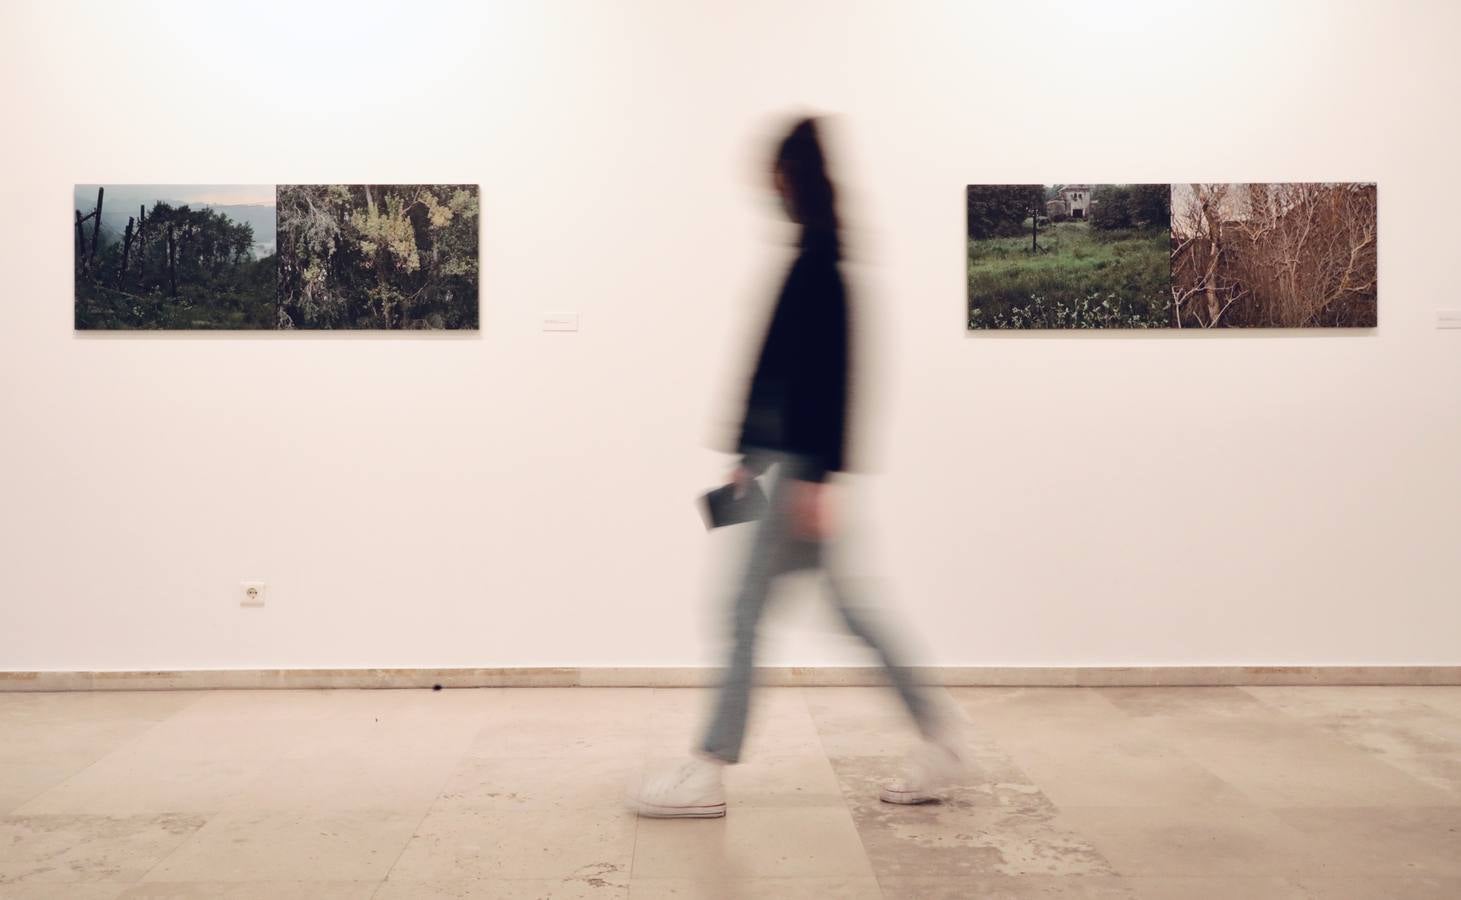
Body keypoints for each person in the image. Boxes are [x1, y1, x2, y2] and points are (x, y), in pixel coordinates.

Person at [629, 116, 965, 819]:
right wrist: (746, 462)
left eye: (774, 172)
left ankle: (707, 769)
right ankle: (937, 741)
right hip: (783, 468)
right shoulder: (811, 255)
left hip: (797, 475)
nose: (765, 184)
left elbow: (832, 378)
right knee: (847, 612)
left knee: (743, 613)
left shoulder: (821, 262)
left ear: (794, 176)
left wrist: (816, 478)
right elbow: (778, 374)